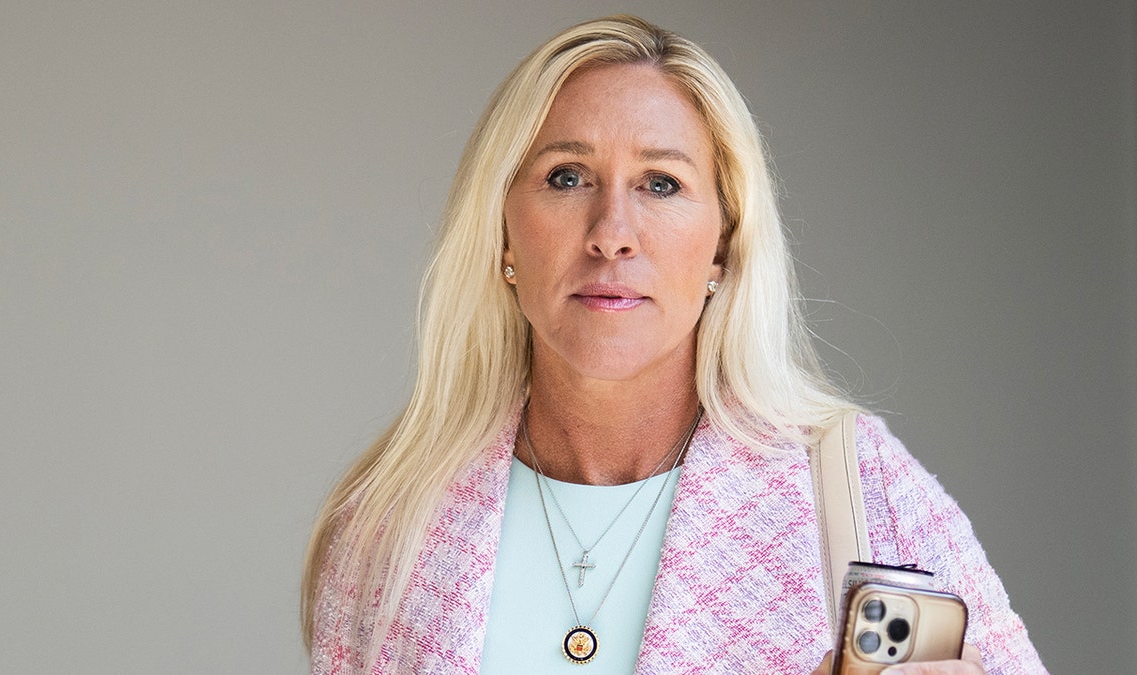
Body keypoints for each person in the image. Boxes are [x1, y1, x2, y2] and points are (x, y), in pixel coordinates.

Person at [301, 15, 1044, 674]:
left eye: (660, 183)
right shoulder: (387, 529)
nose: (611, 233)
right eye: (566, 177)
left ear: (722, 245)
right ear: (502, 232)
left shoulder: (859, 488)